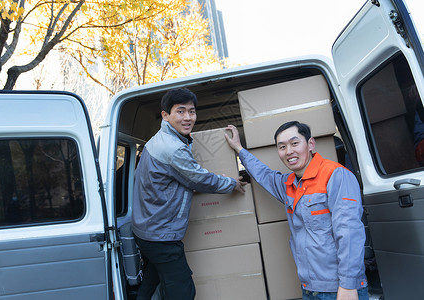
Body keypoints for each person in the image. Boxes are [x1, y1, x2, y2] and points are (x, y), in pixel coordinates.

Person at [225, 121, 368, 300]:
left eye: (294, 143)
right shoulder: (289, 184)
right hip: (309, 288)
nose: (289, 151)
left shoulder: (335, 175)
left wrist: (348, 285)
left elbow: (349, 233)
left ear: (310, 144)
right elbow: (264, 174)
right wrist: (239, 149)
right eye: (282, 147)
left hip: (339, 289)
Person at [132, 88, 246, 300]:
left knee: (152, 280)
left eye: (192, 112)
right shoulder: (173, 147)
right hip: (161, 236)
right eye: (180, 111)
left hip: (146, 230)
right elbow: (199, 178)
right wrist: (231, 183)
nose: (187, 118)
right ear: (166, 115)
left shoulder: (158, 140)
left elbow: (175, 178)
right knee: (183, 291)